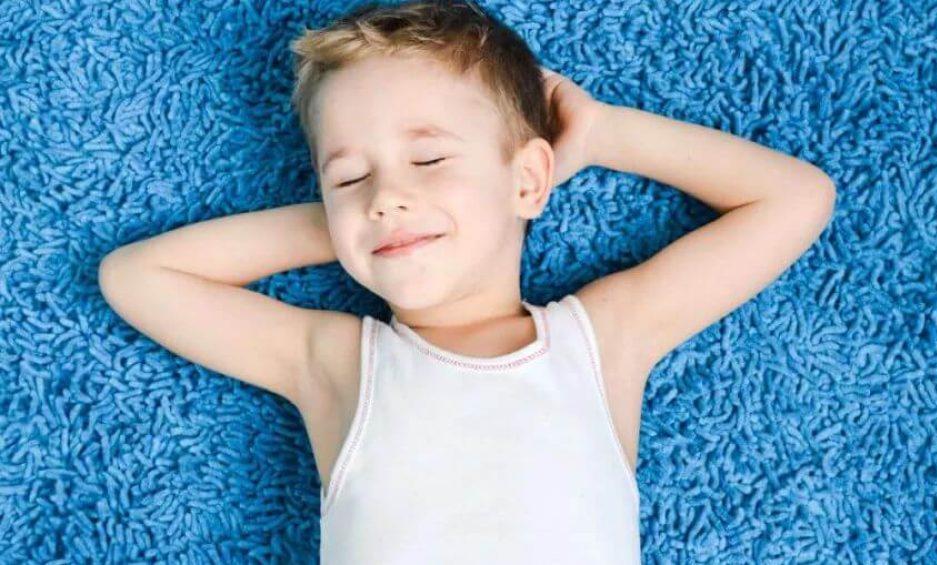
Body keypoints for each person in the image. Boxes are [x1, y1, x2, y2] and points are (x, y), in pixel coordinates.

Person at [97, 0, 837, 562]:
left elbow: (796, 199)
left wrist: (604, 134)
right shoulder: (337, 364)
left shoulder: (602, 340)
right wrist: (357, 222)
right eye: (349, 172)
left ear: (528, 180)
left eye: (427, 161)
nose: (386, 193)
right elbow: (138, 276)